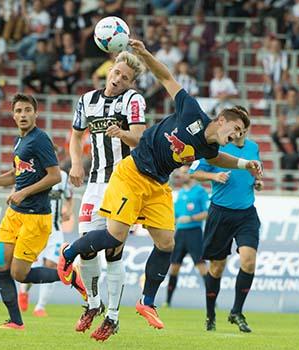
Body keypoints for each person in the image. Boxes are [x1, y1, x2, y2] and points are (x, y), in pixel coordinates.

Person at [57, 38, 262, 335]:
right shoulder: (191, 111)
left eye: (242, 134)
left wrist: (245, 164)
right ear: (222, 120)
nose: (238, 136)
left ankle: (147, 301)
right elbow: (166, 77)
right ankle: (69, 253)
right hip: (132, 173)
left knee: (167, 243)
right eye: (237, 130)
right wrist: (143, 53)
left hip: (157, 185)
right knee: (115, 235)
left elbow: (220, 159)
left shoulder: (208, 149)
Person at [0, 93, 86, 330]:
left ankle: (70, 275)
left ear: (35, 113)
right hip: (14, 214)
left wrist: (24, 192)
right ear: (13, 115)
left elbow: (54, 176)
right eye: (18, 111)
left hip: (36, 218)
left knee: (19, 274)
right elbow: (14, 175)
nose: (23, 115)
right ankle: (15, 321)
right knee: (0, 264)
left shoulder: (40, 140)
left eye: (27, 110)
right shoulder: (19, 141)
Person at [70, 51, 146, 341]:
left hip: (123, 183)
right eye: (116, 73)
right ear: (110, 69)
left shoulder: (133, 100)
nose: (118, 80)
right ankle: (92, 303)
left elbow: (140, 137)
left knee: (113, 253)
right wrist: (77, 163)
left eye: (125, 78)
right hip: (94, 183)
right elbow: (76, 136)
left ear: (131, 82)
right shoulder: (87, 99)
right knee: (86, 247)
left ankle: (113, 317)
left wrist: (123, 133)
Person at [190, 129, 263, 333]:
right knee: (217, 267)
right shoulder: (217, 146)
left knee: (248, 261)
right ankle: (210, 313)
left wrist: (257, 182)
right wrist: (214, 175)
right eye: (236, 127)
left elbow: (255, 172)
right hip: (220, 214)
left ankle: (236, 311)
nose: (239, 132)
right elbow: (193, 172)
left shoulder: (253, 147)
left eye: (243, 128)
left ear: (247, 129)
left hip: (246, 213)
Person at [18, 169, 73, 317]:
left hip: (55, 231)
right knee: (30, 267)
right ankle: (23, 291)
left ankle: (40, 307)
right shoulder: (32, 173)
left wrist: (68, 210)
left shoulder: (62, 176)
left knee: (52, 266)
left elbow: (69, 196)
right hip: (35, 230)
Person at [165, 166, 209, 307]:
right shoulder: (181, 193)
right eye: (180, 173)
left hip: (194, 233)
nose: (180, 175)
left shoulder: (200, 192)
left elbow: (208, 213)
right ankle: (168, 301)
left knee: (201, 266)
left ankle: (211, 300)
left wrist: (191, 218)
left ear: (191, 174)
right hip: (180, 234)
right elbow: (175, 216)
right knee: (174, 267)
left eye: (184, 173)